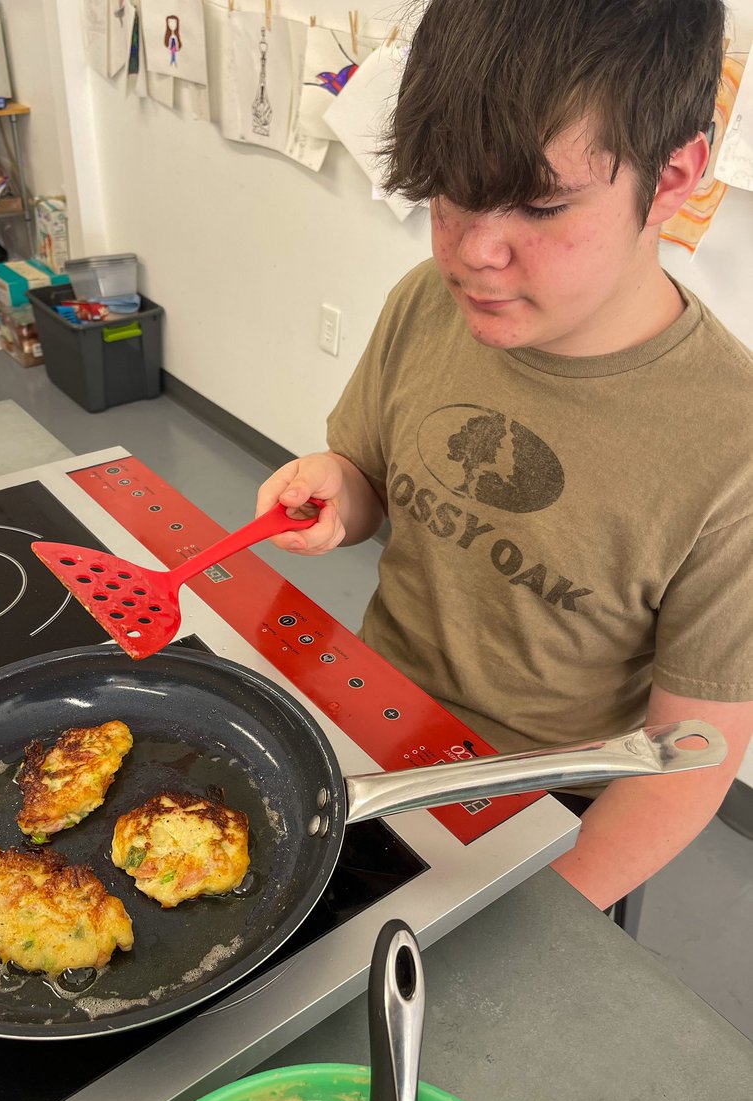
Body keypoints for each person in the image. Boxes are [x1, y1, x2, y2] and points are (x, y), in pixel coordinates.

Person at [255, 0, 753, 910]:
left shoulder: (734, 446)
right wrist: (339, 489)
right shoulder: (427, 303)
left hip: (548, 818)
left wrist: (528, 916)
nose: (475, 252)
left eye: (541, 203)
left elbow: (688, 764)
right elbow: (365, 478)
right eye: (451, 191)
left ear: (675, 172)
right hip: (370, 734)